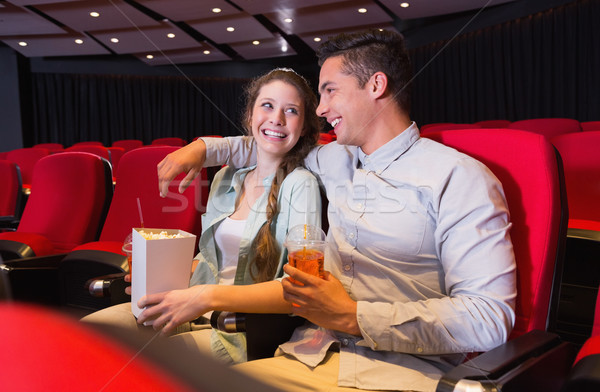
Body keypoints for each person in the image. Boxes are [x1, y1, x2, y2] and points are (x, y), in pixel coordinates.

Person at [156, 29, 517, 392]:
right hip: (307, 350)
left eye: (330, 90)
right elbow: (270, 143)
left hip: (397, 369)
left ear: (376, 85)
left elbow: (489, 318)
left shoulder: (459, 178)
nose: (320, 109)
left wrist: (355, 317)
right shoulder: (334, 158)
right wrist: (204, 148)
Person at [82, 68, 323, 364]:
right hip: (192, 305)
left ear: (304, 126)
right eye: (268, 105)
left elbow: (299, 288)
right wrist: (158, 276)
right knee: (89, 336)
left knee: (139, 363)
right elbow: (209, 260)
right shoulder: (225, 177)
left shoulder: (301, 184)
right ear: (250, 116)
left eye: (292, 110)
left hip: (237, 330)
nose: (277, 119)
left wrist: (205, 298)